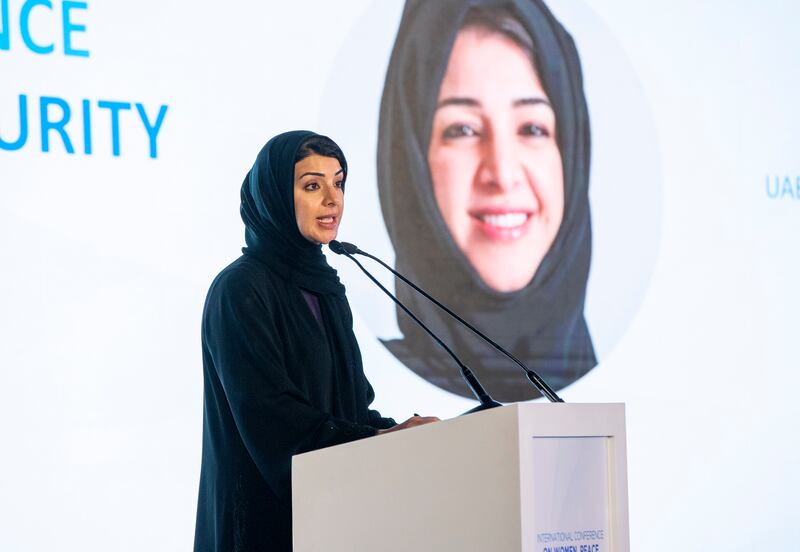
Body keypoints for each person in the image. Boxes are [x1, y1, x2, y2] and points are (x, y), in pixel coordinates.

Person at [193, 130, 437, 552]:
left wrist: (400, 434)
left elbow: (350, 408)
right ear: (273, 198)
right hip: (260, 525)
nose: (333, 199)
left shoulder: (326, 289)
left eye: (338, 182)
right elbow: (270, 417)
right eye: (312, 185)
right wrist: (377, 441)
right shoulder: (239, 289)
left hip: (330, 521)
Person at [378, 0, 596, 402]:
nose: (502, 172)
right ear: (409, 162)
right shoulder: (360, 398)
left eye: (532, 127)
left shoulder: (627, 393)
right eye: (462, 129)